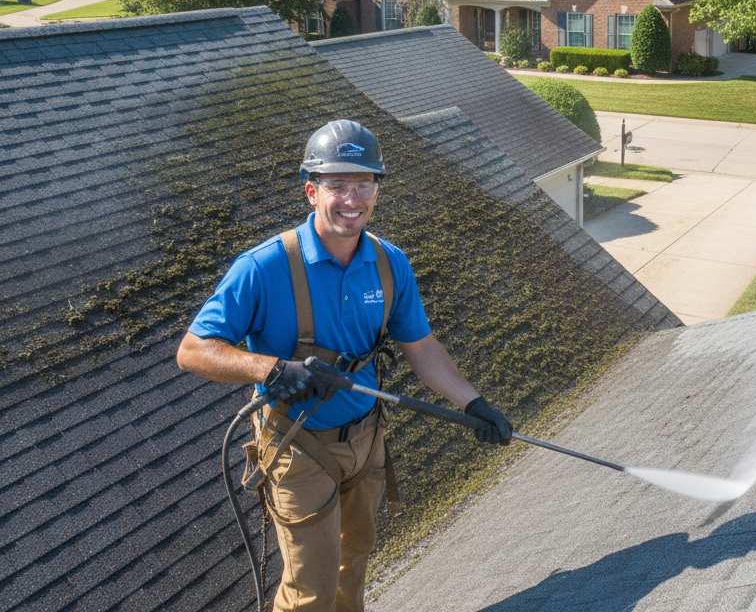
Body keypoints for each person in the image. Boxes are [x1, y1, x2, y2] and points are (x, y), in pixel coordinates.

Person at [176, 119, 511, 612]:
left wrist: (473, 401)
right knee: (309, 591)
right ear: (311, 191)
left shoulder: (389, 263)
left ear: (376, 190)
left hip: (366, 440)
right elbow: (193, 349)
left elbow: (421, 347)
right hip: (297, 446)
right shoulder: (265, 267)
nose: (352, 199)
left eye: (363, 185)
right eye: (337, 186)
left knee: (352, 565)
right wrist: (270, 370)